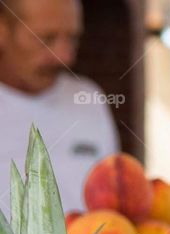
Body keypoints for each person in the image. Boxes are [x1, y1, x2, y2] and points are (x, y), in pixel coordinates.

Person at [0, 0, 119, 213]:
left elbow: (116, 198)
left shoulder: (89, 99)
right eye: (46, 39)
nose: (64, 57)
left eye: (72, 38)